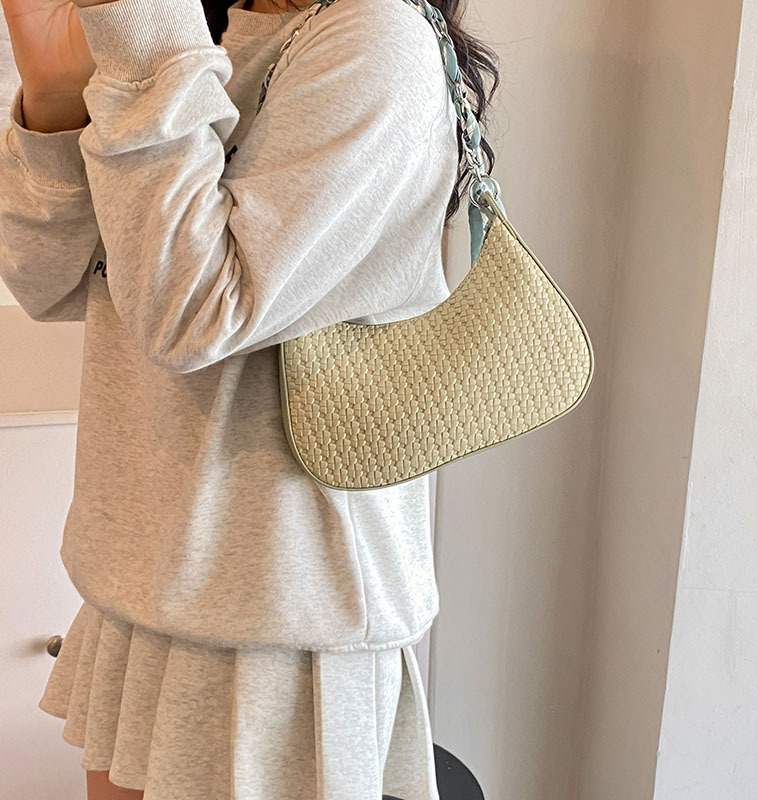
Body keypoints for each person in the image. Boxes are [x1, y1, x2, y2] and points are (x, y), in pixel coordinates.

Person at [0, 0, 499, 795]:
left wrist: (145, 44)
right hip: (141, 591)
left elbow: (191, 315)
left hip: (277, 627)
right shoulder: (201, 35)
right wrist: (58, 100)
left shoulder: (376, 40)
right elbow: (51, 284)